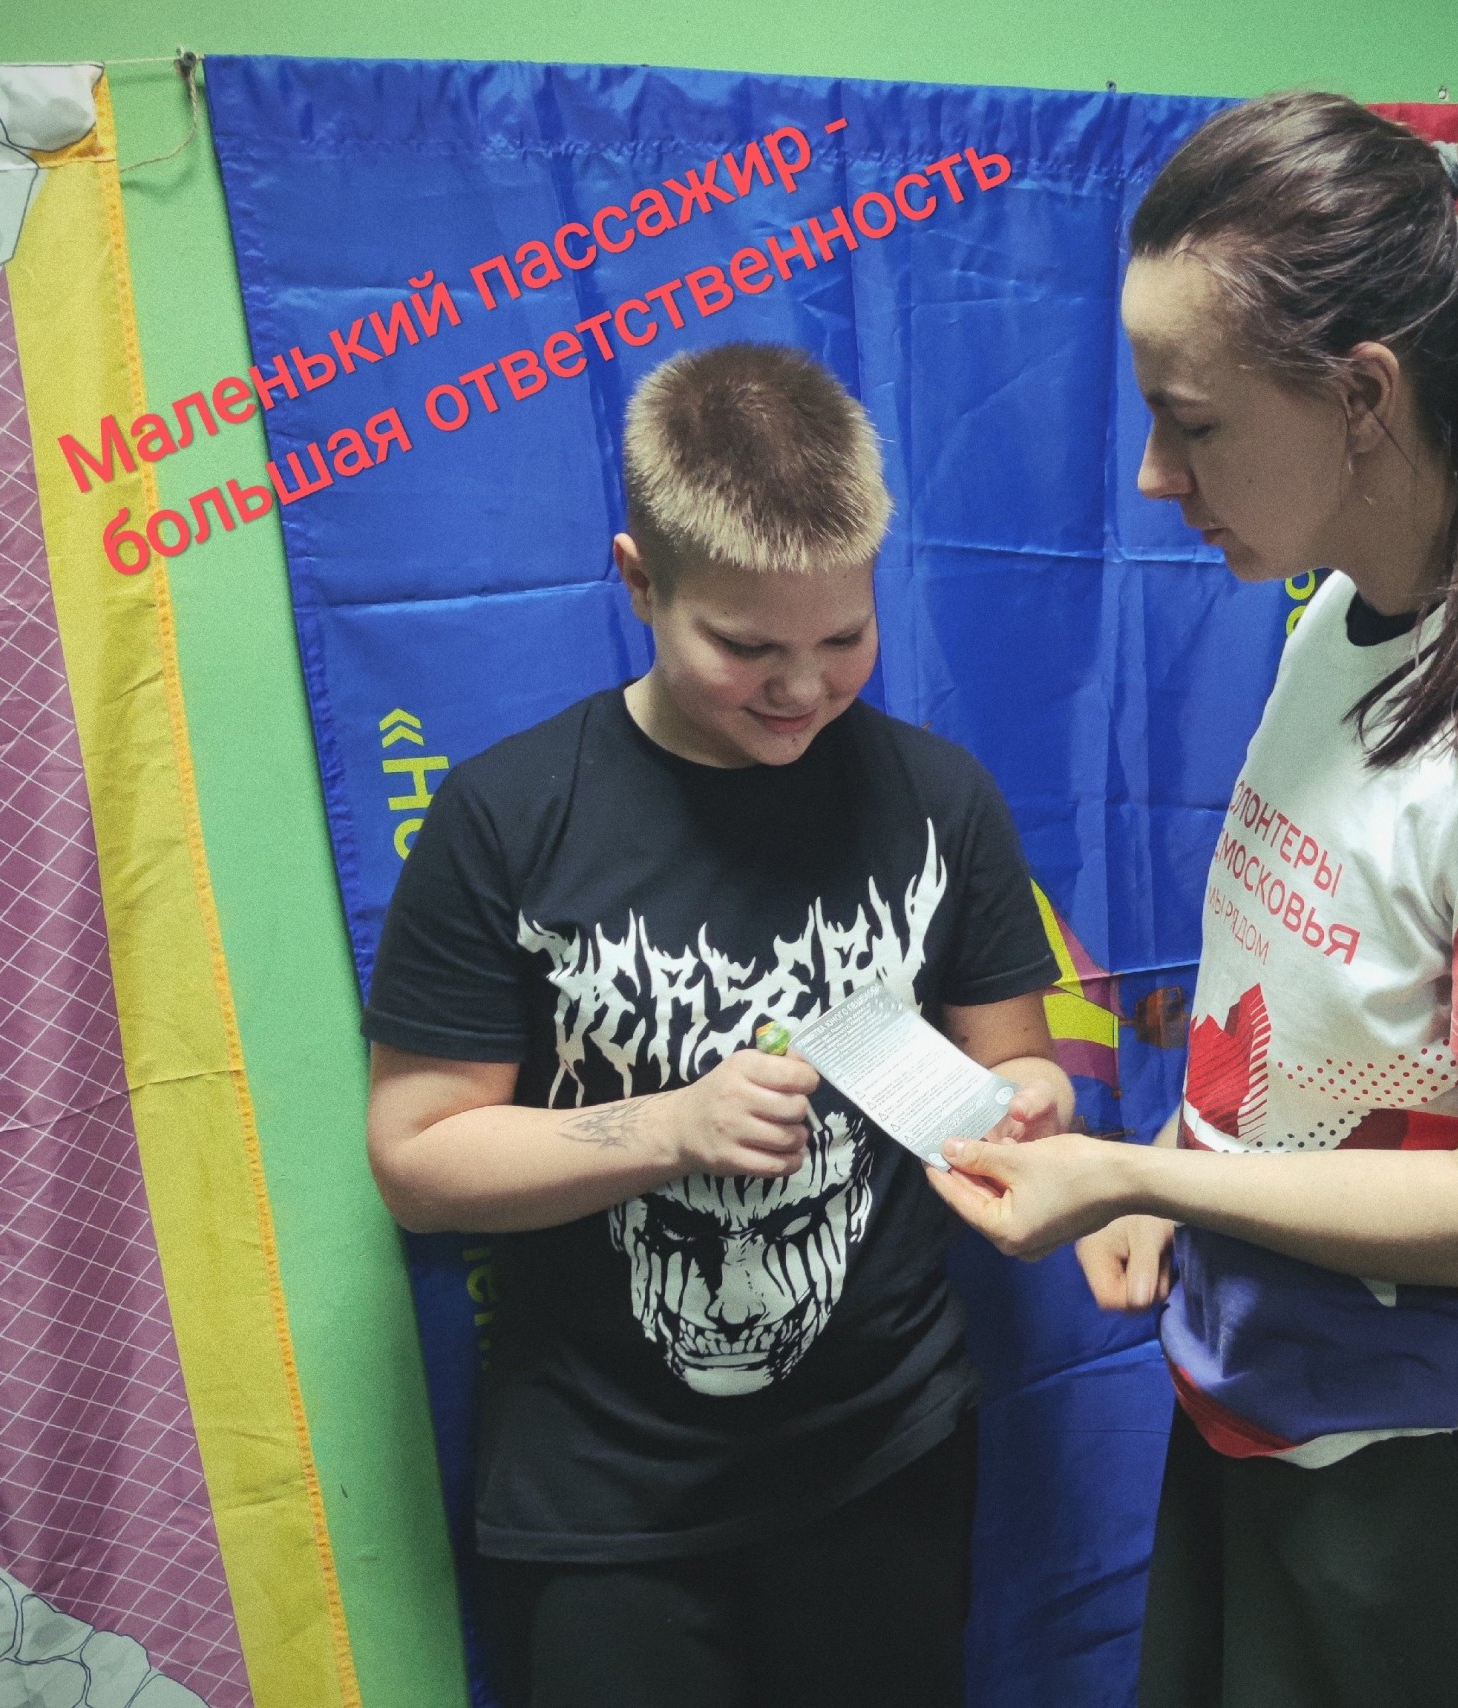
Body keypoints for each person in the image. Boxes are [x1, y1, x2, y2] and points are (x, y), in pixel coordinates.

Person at [929, 92, 1458, 1708]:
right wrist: (1175, 1181)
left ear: (1364, 395)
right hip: (1273, 1399)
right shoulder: (1356, 612)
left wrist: (1131, 1173)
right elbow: (1336, 1022)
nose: (1157, 474)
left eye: (1194, 421)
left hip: (1440, 1476)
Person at [362, 341, 1071, 1708]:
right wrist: (669, 1128)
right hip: (605, 1501)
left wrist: (1034, 1109)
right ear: (639, 581)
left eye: (843, 638)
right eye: (746, 648)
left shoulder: (940, 799)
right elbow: (416, 1156)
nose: (801, 688)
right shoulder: (507, 818)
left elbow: (1019, 1063)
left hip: (886, 1459)